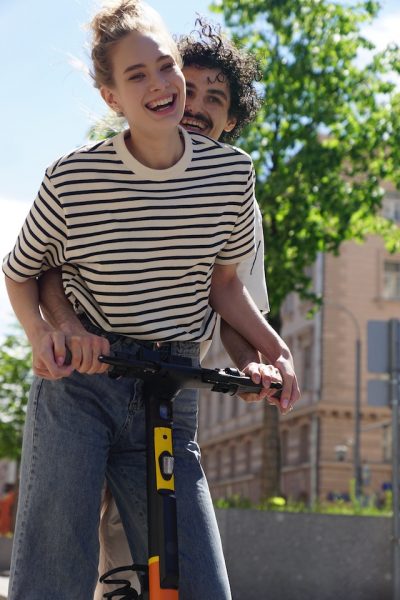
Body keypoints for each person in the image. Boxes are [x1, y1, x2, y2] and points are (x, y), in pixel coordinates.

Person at [3, 2, 299, 599]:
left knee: (199, 586)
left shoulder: (231, 177)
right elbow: (31, 270)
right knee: (53, 576)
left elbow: (226, 288)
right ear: (111, 96)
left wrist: (273, 351)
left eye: (166, 69)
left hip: (170, 387)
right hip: (84, 383)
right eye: (138, 75)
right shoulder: (77, 177)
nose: (169, 90)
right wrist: (50, 338)